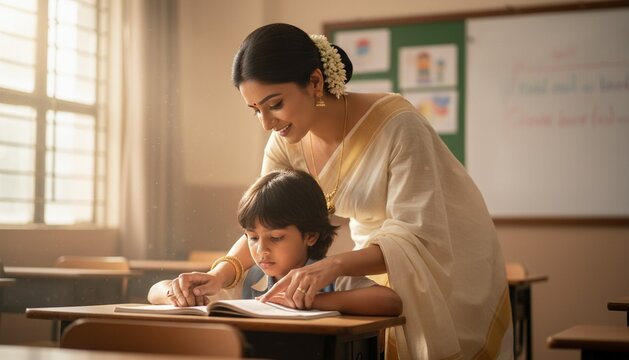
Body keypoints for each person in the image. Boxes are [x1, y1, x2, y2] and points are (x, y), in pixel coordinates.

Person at [171, 23, 513, 359]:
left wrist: (332, 266)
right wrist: (218, 276)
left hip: (446, 252)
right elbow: (265, 223)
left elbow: (418, 235)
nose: (266, 123)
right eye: (256, 110)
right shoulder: (284, 142)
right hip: (376, 251)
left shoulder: (398, 125)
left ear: (315, 82)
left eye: (274, 104)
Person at [149, 169, 403, 316]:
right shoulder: (249, 278)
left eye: (276, 238)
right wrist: (176, 293)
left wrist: (313, 302)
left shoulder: (330, 279)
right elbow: (154, 292)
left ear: (310, 235)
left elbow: (390, 302)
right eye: (252, 237)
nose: (261, 250)